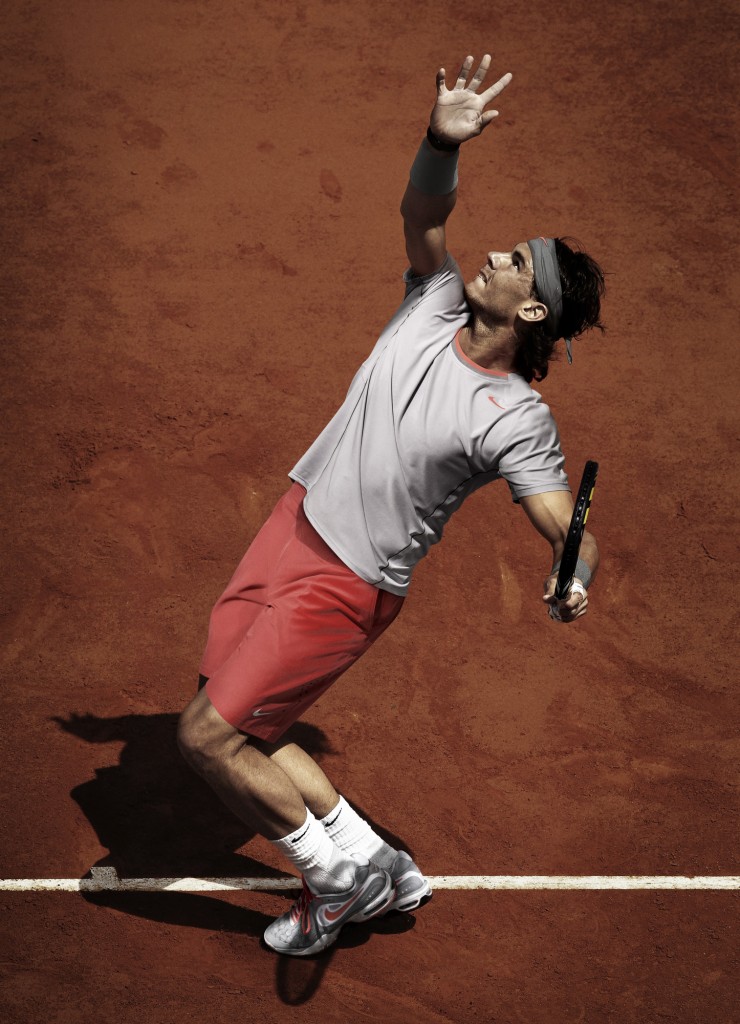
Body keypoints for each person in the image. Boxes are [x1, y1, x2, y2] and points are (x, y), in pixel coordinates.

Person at [177, 53, 604, 957]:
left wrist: (575, 577)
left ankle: (334, 884)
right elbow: (423, 214)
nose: (495, 255)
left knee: (206, 739)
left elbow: (564, 523)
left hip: (347, 583)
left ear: (533, 311)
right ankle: (378, 862)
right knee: (241, 716)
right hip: (293, 526)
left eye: (516, 263)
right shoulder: (434, 301)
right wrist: (439, 142)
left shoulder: (517, 416)